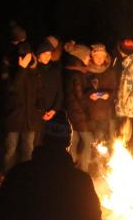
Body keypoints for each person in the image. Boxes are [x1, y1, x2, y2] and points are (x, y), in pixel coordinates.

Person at [1, 42, 42, 173]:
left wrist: (41, 106)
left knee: (28, 150)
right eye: (22, 56)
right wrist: (21, 68)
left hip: (30, 118)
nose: (25, 58)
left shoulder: (34, 72)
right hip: (14, 117)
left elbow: (39, 91)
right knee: (10, 151)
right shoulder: (9, 70)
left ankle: (26, 176)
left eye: (27, 55)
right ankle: (8, 177)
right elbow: (13, 88)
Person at [63, 43, 95, 172]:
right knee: (88, 141)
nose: (89, 59)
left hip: (72, 112)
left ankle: (70, 168)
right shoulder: (77, 74)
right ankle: (83, 170)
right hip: (78, 113)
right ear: (80, 57)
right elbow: (80, 97)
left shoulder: (71, 72)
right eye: (87, 56)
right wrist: (92, 91)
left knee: (74, 140)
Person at [83, 43, 118, 154]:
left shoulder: (109, 72)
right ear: (92, 56)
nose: (100, 58)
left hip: (104, 114)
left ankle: (101, 167)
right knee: (89, 144)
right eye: (97, 56)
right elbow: (81, 90)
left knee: (102, 143)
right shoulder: (86, 71)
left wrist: (108, 95)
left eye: (102, 56)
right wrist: (90, 95)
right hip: (89, 114)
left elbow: (114, 90)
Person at [34, 39, 64, 148]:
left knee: (47, 144)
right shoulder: (34, 70)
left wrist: (54, 110)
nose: (47, 56)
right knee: (34, 142)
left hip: (51, 113)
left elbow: (59, 92)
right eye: (44, 53)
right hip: (36, 113)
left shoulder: (55, 70)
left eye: (49, 53)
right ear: (38, 55)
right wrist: (40, 111)